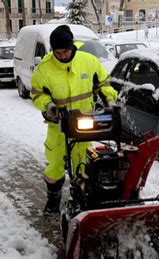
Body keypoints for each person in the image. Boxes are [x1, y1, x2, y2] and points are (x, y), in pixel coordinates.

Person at [30, 25, 118, 214]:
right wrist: (48, 106)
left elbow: (104, 82)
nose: (62, 55)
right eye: (58, 52)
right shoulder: (44, 69)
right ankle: (53, 200)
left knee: (81, 164)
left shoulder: (89, 62)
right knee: (55, 167)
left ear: (72, 47)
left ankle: (78, 199)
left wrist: (109, 98)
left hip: (84, 124)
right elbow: (37, 94)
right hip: (58, 126)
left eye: (66, 51)